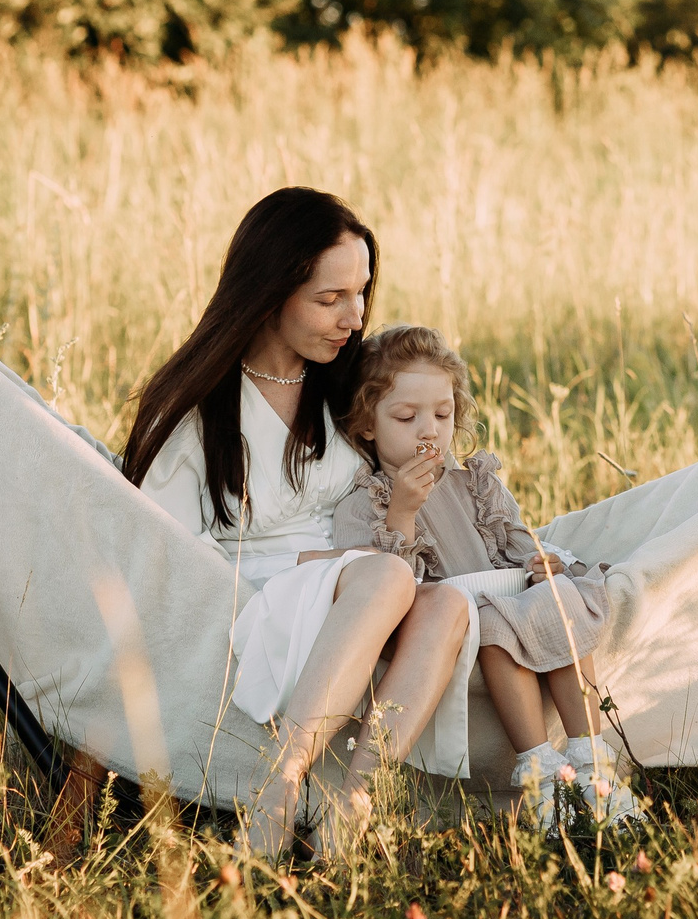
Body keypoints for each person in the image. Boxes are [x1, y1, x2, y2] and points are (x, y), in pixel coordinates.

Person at [120, 189, 469, 855]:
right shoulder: (198, 409)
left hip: (357, 582)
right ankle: (280, 786)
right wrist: (323, 565)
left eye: (360, 293)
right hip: (257, 597)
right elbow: (166, 555)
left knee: (448, 603)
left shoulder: (342, 387)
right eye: (330, 298)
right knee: (388, 577)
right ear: (270, 293)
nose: (354, 317)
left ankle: (352, 804)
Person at [330, 325, 644, 829]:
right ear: (367, 424)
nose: (429, 431)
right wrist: (403, 513)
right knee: (496, 626)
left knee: (558, 596)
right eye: (407, 418)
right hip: (454, 627)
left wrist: (541, 565)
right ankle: (542, 778)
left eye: (443, 414)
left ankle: (593, 765)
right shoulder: (366, 503)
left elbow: (517, 542)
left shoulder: (475, 482)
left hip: (508, 599)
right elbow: (385, 589)